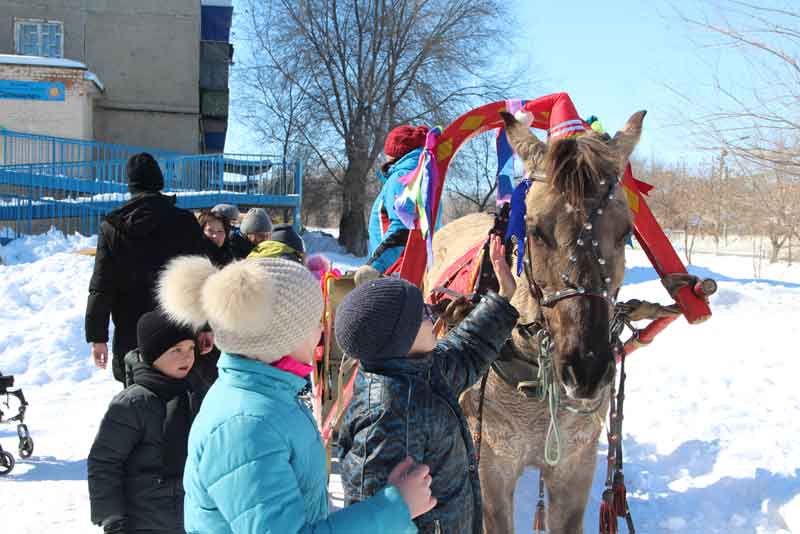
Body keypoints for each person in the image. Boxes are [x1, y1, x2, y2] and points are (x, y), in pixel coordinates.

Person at [156, 255, 435, 533]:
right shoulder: (246, 425)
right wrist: (396, 508)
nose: (321, 332)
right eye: (313, 322)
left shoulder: (268, 396)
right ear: (279, 339)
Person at [337, 236, 519, 534]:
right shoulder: (388, 413)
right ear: (400, 337)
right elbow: (373, 521)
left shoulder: (420, 369)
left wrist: (502, 298)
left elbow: (467, 349)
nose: (434, 315)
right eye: (422, 314)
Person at [85, 153, 212, 384]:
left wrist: (98, 338)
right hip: (180, 330)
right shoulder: (184, 222)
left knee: (139, 400)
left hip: (133, 335)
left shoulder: (112, 227)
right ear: (159, 182)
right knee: (184, 401)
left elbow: (102, 286)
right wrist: (205, 326)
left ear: (131, 185)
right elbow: (201, 279)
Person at [88, 311, 199, 534]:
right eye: (176, 350)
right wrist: (112, 519)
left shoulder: (195, 392)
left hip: (191, 516)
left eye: (190, 349)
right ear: (153, 354)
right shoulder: (133, 403)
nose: (186, 357)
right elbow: (105, 462)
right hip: (143, 521)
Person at [358, 125, 429, 284]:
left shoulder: (402, 178)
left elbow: (402, 228)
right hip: (414, 271)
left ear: (394, 153)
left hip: (394, 272)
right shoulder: (425, 179)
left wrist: (374, 267)